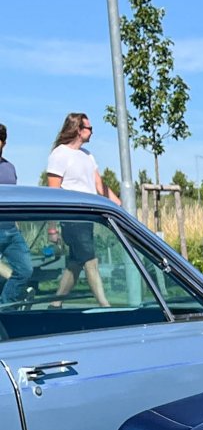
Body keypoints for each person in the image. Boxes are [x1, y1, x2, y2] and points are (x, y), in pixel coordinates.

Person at [45, 112, 118, 307]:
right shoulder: (59, 154)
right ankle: (105, 306)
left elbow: (99, 185)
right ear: (78, 130)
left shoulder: (87, 155)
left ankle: (55, 304)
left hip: (87, 219)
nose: (92, 132)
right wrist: (52, 228)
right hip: (72, 218)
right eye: (89, 128)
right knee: (90, 261)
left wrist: (118, 205)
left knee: (76, 263)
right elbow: (52, 195)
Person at [0, 123, 32, 308]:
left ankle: (6, 308)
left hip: (10, 229)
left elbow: (14, 198)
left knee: (25, 270)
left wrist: (17, 223)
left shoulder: (9, 168)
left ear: (3, 143)